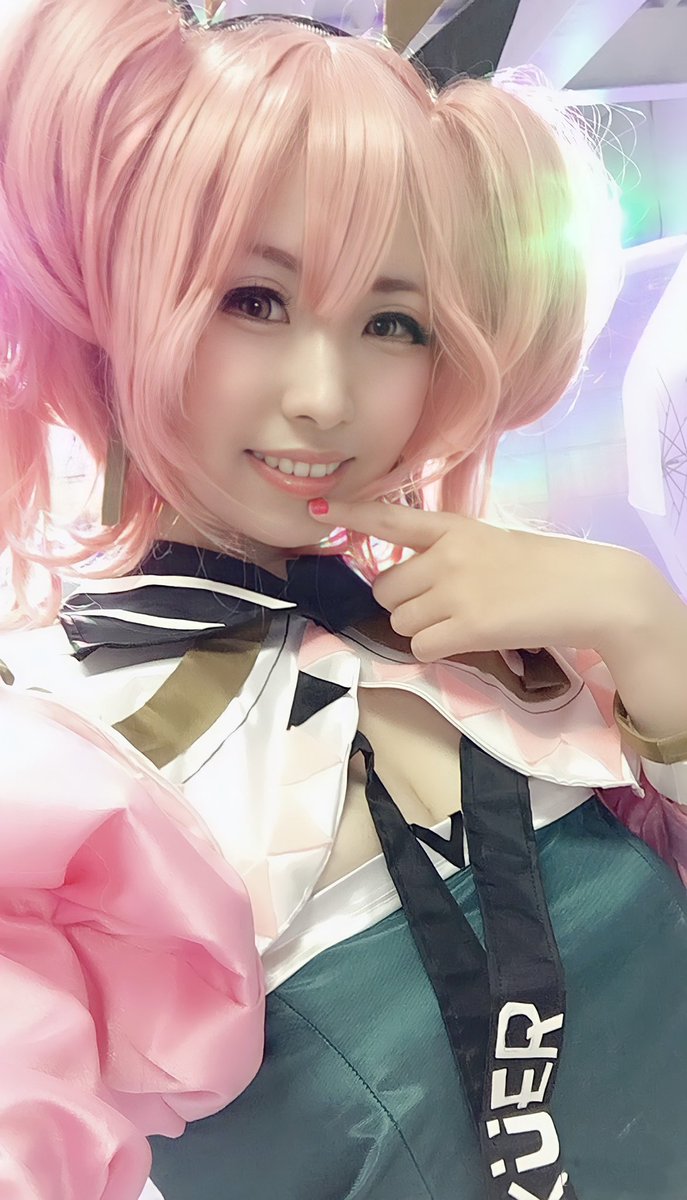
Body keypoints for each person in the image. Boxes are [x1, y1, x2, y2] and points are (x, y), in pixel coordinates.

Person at [1, 2, 687, 1198]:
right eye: (253, 299)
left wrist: (648, 628)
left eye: (390, 321)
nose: (324, 396)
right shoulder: (54, 760)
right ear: (119, 295)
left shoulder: (519, 638)